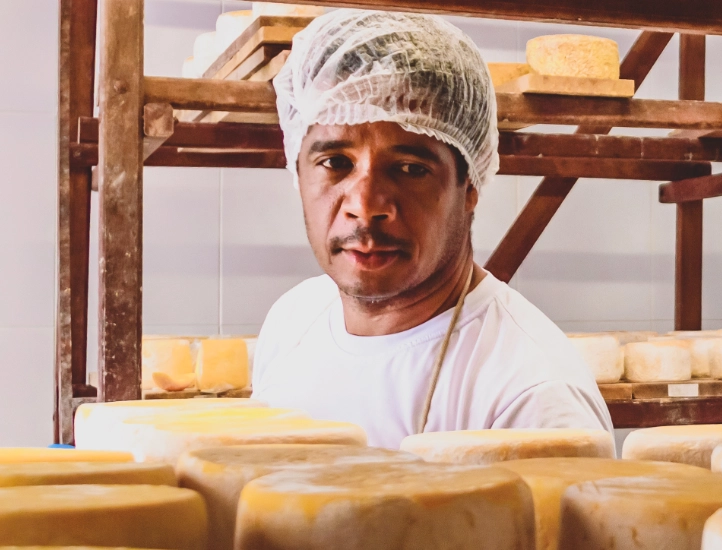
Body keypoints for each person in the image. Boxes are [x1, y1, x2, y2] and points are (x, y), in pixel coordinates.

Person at [250, 9, 612, 449]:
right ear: (298, 171)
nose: (365, 207)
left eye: (408, 168)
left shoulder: (532, 399)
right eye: (335, 163)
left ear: (470, 184)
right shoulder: (294, 320)